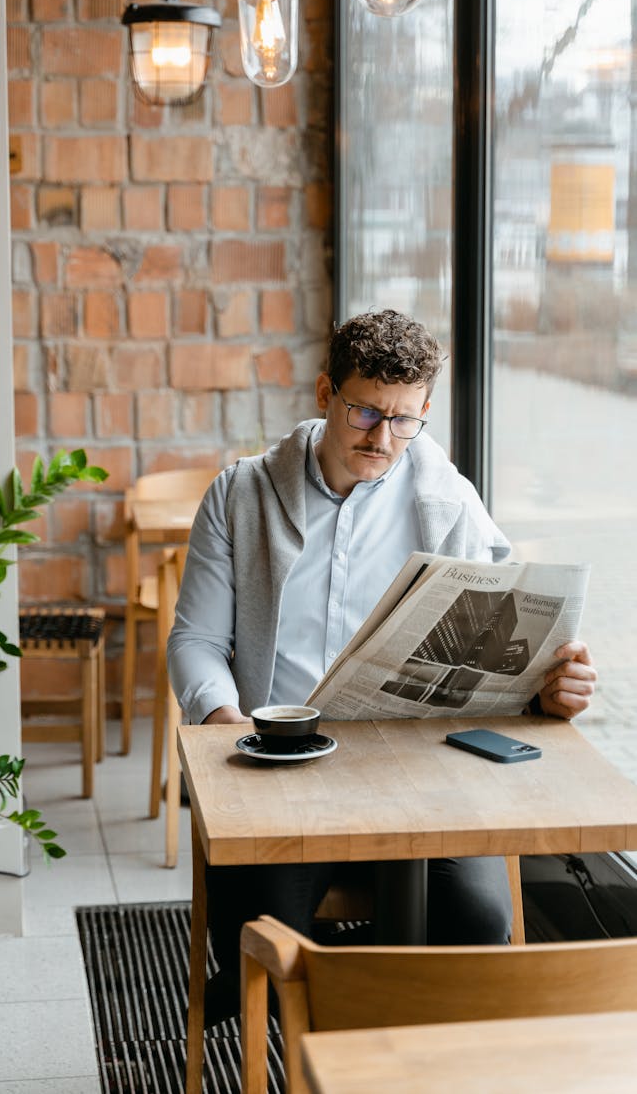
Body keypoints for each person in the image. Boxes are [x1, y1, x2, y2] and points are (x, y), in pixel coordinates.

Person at [167, 308, 597, 1024]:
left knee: (477, 924)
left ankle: (395, 1048)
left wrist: (552, 687)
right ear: (324, 391)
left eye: (404, 421)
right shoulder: (240, 494)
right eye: (365, 412)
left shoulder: (449, 501)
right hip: (287, 762)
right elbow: (195, 640)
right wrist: (224, 720)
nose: (382, 439)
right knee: (265, 940)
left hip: (421, 768)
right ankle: (300, 1012)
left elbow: (504, 638)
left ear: (425, 410)